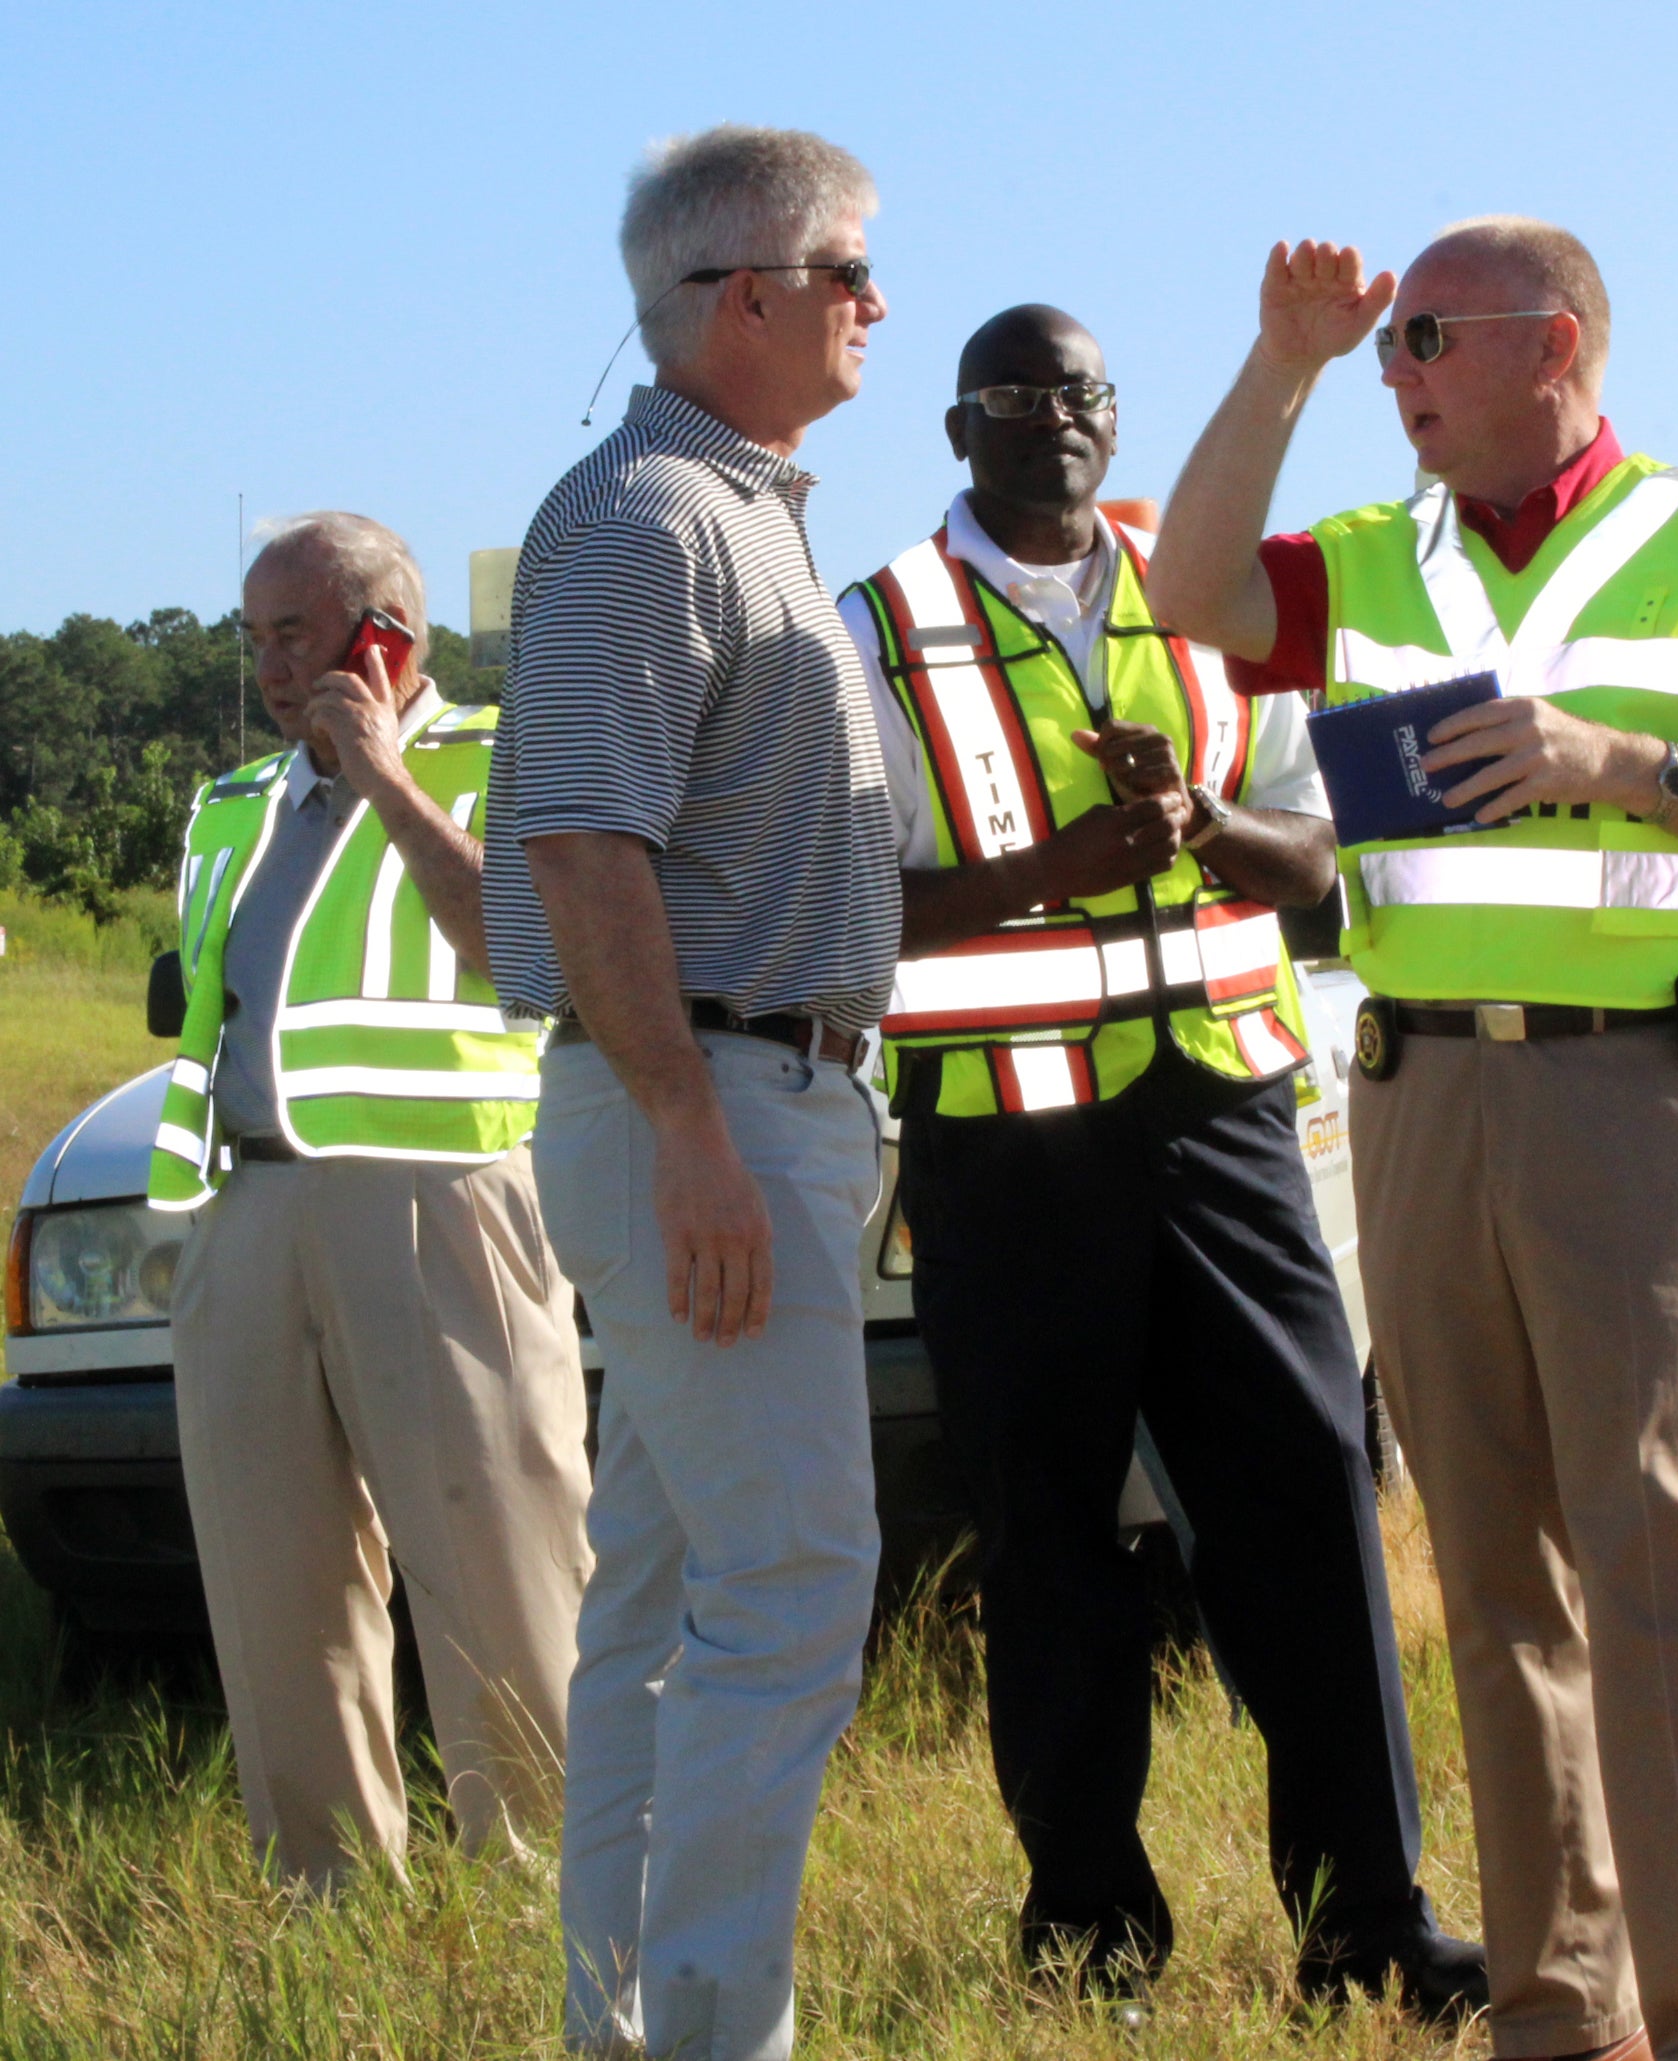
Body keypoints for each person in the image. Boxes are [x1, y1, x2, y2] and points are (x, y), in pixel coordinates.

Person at [1145, 218, 1678, 2061]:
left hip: (1634, 1094)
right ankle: (1557, 2005)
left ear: (1553, 343)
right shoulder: (1365, 556)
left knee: (1673, 1567)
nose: (1396, 373)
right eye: (1386, 347)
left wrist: (1615, 763)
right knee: (1493, 1574)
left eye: (1421, 341)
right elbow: (1185, 588)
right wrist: (1286, 359)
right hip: (1417, 1098)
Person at [836, 303, 1487, 2025]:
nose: (1055, 415)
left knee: (1311, 1504)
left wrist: (1207, 834)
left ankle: (1372, 1927)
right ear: (958, 427)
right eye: (1017, 393)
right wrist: (1047, 870)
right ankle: (1092, 1939)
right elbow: (838, 910)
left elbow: (1331, 852)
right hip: (1005, 1141)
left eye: (1084, 392)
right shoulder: (879, 626)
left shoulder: (1208, 592)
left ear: (1117, 424)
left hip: (1224, 1122)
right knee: (1048, 1543)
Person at [480, 127, 899, 2061]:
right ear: (745, 297)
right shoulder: (654, 516)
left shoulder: (744, 510)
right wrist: (694, 1139)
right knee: (791, 1588)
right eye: (849, 274)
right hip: (703, 1101)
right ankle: (714, 2038)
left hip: (733, 1093)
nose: (873, 306)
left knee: (659, 1616)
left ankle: (632, 2030)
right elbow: (580, 845)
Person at [147, 512, 593, 1888]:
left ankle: (544, 1894)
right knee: (277, 1592)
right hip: (250, 1216)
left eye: (298, 632)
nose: (272, 666)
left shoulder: (500, 756)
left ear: (388, 630)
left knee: (499, 1567)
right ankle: (326, 1895)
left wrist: (386, 771)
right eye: (255, 638)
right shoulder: (232, 802)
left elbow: (527, 950)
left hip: (441, 1201)